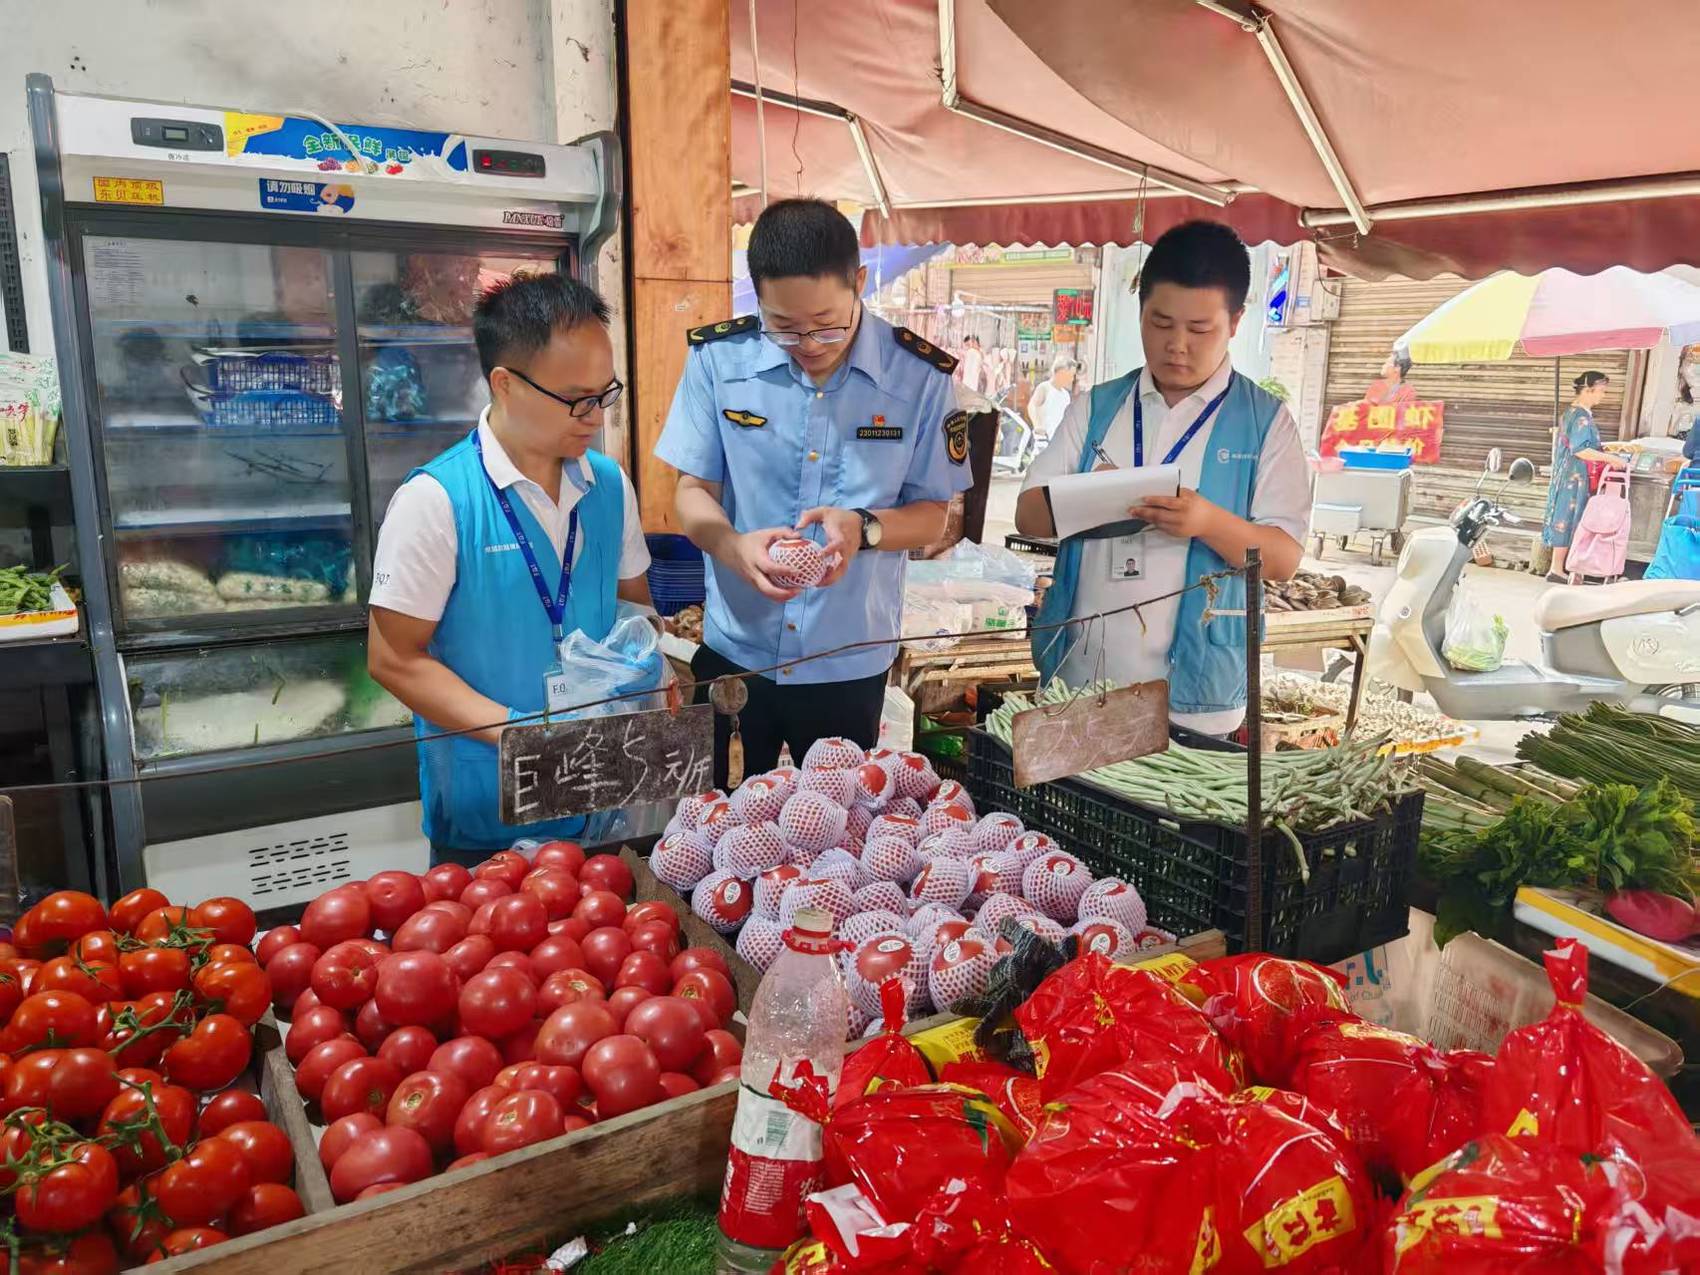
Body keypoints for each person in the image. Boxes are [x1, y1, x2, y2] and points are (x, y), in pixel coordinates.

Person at [657, 197, 972, 787]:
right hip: (736, 655)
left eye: (827, 322)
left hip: (846, 661)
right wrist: (732, 546)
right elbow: (692, 492)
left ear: (860, 282)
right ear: (757, 297)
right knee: (720, 821)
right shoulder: (718, 361)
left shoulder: (918, 376)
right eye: (783, 326)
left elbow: (934, 515)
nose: (808, 342)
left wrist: (864, 528)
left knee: (839, 825)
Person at [367, 273, 652, 859]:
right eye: (576, 399)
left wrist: (649, 670)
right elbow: (393, 658)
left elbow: (635, 609)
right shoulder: (436, 501)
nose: (595, 417)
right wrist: (522, 735)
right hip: (486, 808)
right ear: (505, 384)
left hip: (601, 797)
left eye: (605, 395)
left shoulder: (609, 486)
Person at [1013, 220, 1309, 735]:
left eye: (1200, 329)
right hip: (1078, 684)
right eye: (1161, 322)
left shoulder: (1265, 423)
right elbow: (1028, 515)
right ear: (1141, 310)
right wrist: (1095, 496)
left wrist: (1207, 522)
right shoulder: (1098, 407)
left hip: (1195, 702)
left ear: (1235, 322)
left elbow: (1283, 559)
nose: (1177, 345)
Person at [1543, 370, 1610, 581]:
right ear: (1588, 390)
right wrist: (1611, 458)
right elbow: (1580, 449)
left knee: (1566, 515)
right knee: (1569, 516)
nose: (1603, 395)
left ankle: (1560, 567)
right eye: (1601, 391)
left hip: (1569, 473)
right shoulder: (1580, 416)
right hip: (1575, 474)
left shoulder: (1572, 412)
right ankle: (1559, 568)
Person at [1026, 355, 1076, 443]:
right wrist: (1037, 425)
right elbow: (1032, 406)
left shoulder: (1066, 395)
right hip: (1044, 440)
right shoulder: (1045, 388)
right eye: (1070, 375)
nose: (1072, 379)